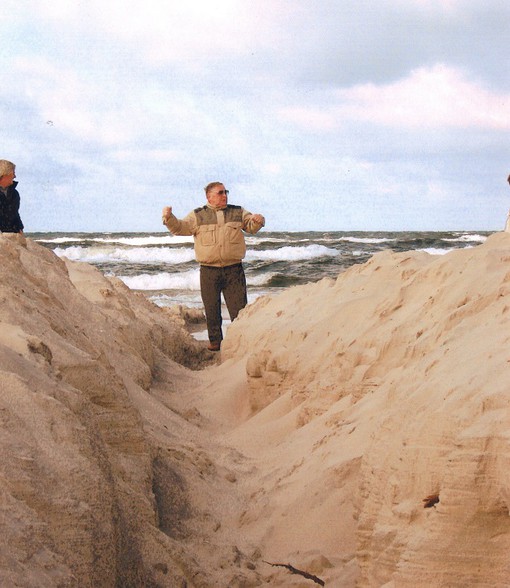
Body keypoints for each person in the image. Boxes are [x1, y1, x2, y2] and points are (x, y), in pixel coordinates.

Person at [162, 182, 265, 351]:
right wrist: (168, 218)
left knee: (239, 309)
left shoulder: (237, 211)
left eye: (226, 192)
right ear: (209, 197)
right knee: (211, 308)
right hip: (209, 271)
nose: (225, 195)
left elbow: (251, 226)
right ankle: (215, 343)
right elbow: (180, 228)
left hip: (234, 270)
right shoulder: (197, 215)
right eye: (220, 193)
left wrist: (259, 220)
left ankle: (240, 342)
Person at [0, 160, 24, 234]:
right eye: (13, 173)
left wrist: (20, 229)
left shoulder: (14, 194)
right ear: (5, 174)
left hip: (12, 236)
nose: (15, 176)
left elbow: (15, 214)